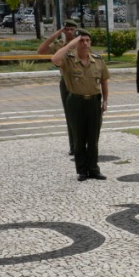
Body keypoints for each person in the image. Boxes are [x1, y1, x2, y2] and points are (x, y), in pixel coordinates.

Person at [51, 29, 110, 181]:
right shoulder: (69, 60)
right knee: (79, 138)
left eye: (87, 41)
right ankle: (82, 170)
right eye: (81, 41)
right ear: (76, 43)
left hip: (94, 102)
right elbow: (54, 59)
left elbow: (104, 80)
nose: (84, 43)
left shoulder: (98, 60)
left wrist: (105, 100)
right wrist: (71, 44)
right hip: (76, 102)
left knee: (93, 138)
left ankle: (94, 169)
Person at [38, 19, 79, 155]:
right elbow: (41, 51)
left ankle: (83, 143)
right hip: (66, 81)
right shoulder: (60, 45)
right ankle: (73, 146)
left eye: (71, 29)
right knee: (70, 115)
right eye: (66, 29)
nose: (69, 32)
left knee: (83, 114)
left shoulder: (82, 43)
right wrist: (56, 34)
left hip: (81, 80)